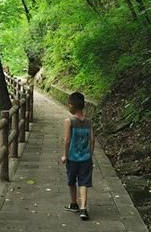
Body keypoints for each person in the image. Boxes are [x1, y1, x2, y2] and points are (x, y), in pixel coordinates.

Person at [60, 92, 94, 221]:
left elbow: (67, 140)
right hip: (85, 158)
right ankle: (83, 209)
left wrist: (65, 155)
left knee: (72, 181)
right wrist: (90, 154)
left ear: (71, 106)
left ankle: (74, 204)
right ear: (83, 105)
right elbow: (92, 139)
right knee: (84, 182)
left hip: (72, 158)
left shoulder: (69, 121)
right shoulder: (89, 122)